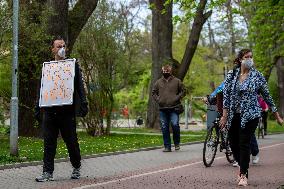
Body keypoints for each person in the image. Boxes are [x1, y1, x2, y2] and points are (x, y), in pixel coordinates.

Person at [219, 49, 283, 186]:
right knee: (233, 143)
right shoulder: (232, 75)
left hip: (251, 115)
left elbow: (267, 96)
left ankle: (243, 174)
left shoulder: (257, 76)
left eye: (251, 57)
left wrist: (276, 114)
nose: (249, 59)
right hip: (233, 115)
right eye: (246, 57)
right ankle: (242, 167)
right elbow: (226, 96)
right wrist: (224, 115)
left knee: (244, 143)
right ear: (240, 59)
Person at [34, 37, 88, 182]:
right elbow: (41, 88)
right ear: (53, 49)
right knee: (49, 142)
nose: (61, 48)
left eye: (63, 46)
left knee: (71, 141)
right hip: (50, 111)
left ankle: (76, 166)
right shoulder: (48, 67)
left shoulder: (72, 65)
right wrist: (37, 107)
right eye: (58, 46)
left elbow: (79, 86)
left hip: (67, 111)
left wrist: (84, 102)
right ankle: (47, 172)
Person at [152, 64, 185, 152]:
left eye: (167, 71)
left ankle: (177, 143)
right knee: (164, 127)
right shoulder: (158, 82)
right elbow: (153, 92)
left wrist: (177, 97)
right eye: (164, 71)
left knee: (175, 125)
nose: (165, 72)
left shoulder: (177, 81)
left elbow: (183, 91)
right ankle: (167, 146)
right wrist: (158, 99)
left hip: (174, 108)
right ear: (162, 71)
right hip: (163, 108)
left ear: (170, 71)